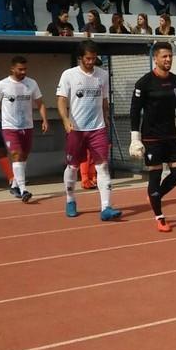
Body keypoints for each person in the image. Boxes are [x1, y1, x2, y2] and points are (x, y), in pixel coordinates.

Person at [129, 42, 176, 232]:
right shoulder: (144, 83)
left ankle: (155, 195)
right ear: (155, 58)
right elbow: (134, 111)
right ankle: (160, 216)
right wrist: (135, 138)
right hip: (151, 138)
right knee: (155, 174)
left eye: (170, 56)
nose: (168, 59)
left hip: (171, 135)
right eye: (164, 56)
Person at [57, 41, 120, 220]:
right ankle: (70, 200)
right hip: (76, 129)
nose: (91, 62)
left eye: (94, 58)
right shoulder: (68, 75)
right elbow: (61, 100)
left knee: (103, 166)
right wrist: (65, 119)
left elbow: (105, 99)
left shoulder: (103, 75)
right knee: (73, 166)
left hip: (97, 128)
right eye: (88, 58)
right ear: (80, 58)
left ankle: (106, 208)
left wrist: (106, 117)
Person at [0, 56, 48, 202]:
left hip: (27, 126)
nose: (23, 72)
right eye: (20, 69)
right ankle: (23, 190)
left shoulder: (31, 83)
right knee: (16, 154)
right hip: (9, 127)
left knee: (23, 156)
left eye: (25, 69)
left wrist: (45, 120)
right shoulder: (3, 84)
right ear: (12, 68)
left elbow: (40, 103)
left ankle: (15, 185)